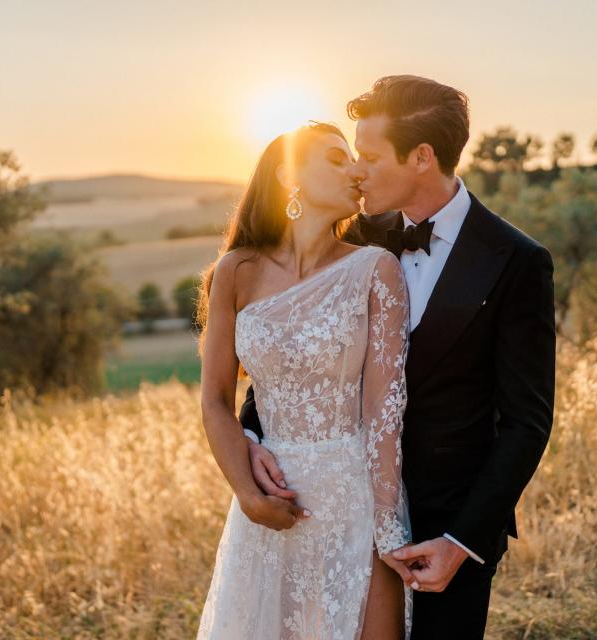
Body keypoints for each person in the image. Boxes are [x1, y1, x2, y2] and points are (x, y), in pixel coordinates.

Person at [241, 75, 557, 639]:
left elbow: (527, 423)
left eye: (367, 156)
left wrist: (462, 541)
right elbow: (289, 351)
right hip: (334, 513)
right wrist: (251, 438)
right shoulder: (354, 237)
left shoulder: (516, 261)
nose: (356, 171)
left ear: (422, 157)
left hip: (441, 531)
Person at [196, 121, 415, 639]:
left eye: (354, 159)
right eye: (335, 160)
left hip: (355, 500)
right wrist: (248, 494)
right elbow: (214, 401)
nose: (355, 171)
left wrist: (387, 531)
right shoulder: (236, 270)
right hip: (271, 504)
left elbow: (384, 414)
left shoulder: (375, 269)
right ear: (287, 175)